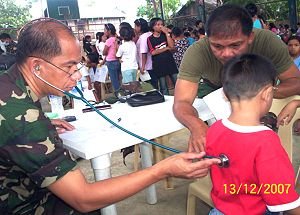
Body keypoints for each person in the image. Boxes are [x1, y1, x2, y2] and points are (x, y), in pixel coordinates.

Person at [0, 18, 220, 214]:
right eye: (69, 66)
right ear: (36, 67)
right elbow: (83, 198)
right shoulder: (24, 121)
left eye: (77, 64)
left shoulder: (9, 83)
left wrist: (42, 121)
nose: (77, 75)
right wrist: (162, 170)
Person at [173, 4, 300, 153]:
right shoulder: (197, 52)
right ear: (208, 39)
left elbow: (295, 82)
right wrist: (197, 125)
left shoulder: (268, 42)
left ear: (251, 37)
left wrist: (258, 91)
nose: (226, 53)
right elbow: (181, 102)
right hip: (213, 90)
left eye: (235, 45)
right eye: (217, 46)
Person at [206, 54, 300, 215]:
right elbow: (282, 196)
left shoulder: (214, 129)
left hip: (220, 210)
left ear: (224, 94)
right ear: (267, 93)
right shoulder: (266, 142)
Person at [147, 17, 178, 95]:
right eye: (158, 24)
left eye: (162, 24)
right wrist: (166, 48)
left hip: (170, 62)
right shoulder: (150, 39)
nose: (161, 26)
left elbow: (172, 46)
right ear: (153, 27)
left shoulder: (165, 35)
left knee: (177, 83)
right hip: (159, 65)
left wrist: (167, 34)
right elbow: (153, 52)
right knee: (163, 87)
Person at [134, 18, 158, 89]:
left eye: (135, 26)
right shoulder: (150, 34)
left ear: (139, 27)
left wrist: (143, 67)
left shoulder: (143, 37)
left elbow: (144, 52)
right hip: (153, 63)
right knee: (154, 84)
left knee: (149, 87)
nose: (135, 28)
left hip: (147, 66)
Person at [103, 23, 122, 91]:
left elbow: (104, 52)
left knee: (114, 80)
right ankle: (122, 94)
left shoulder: (109, 40)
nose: (104, 31)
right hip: (118, 61)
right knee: (119, 79)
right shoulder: (117, 39)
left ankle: (118, 95)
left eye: (105, 30)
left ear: (109, 31)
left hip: (111, 62)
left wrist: (106, 53)